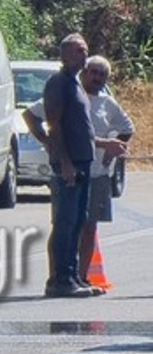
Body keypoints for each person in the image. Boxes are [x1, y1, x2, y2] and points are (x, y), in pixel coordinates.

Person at [27, 54, 135, 288]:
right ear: (83, 72)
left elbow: (128, 128)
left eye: (102, 74)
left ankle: (80, 277)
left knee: (87, 226)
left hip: (96, 174)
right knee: (64, 224)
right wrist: (47, 141)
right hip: (67, 170)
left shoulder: (107, 103)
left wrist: (110, 153)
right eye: (93, 72)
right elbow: (32, 116)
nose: (96, 77)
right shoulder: (68, 93)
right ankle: (57, 277)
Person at [39, 33, 106, 298]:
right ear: (64, 54)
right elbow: (54, 125)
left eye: (85, 50)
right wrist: (64, 161)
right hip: (70, 162)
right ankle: (59, 280)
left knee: (79, 219)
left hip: (83, 160)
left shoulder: (75, 83)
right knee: (65, 221)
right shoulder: (58, 83)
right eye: (78, 51)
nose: (83, 55)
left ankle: (74, 276)